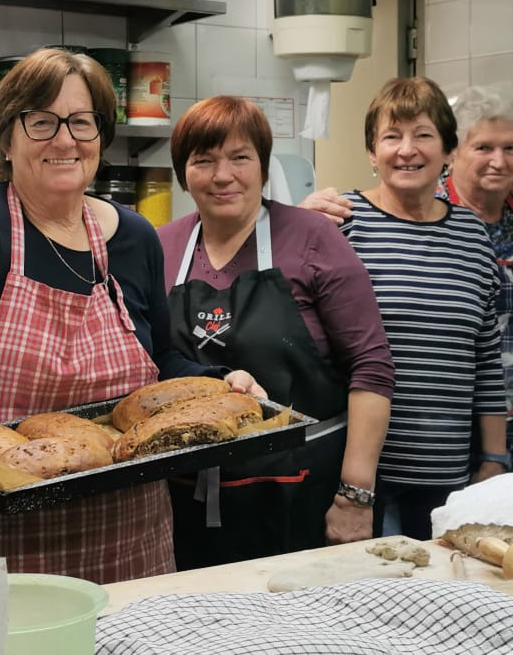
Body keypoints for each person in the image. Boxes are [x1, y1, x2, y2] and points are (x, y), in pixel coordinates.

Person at [0, 50, 266, 583]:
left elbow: (161, 360)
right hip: (1, 535)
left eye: (82, 122)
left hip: (130, 532)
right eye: (41, 122)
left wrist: (221, 382)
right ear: (6, 138)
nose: (65, 140)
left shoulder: (135, 236)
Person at [158, 96, 394, 565]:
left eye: (240, 158)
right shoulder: (161, 245)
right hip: (182, 500)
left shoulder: (313, 238)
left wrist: (355, 496)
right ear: (183, 172)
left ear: (264, 167)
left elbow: (372, 368)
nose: (223, 175)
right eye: (203, 160)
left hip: (304, 494)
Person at [305, 77, 507, 537]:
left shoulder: (473, 235)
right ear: (372, 152)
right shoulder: (341, 222)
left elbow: (486, 357)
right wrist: (297, 223)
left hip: (447, 472)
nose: (406, 150)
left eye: (423, 135)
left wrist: (494, 459)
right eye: (391, 136)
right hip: (354, 475)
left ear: (448, 151)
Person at [435, 87, 513, 469]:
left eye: (510, 148)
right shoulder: (426, 210)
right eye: (484, 148)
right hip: (445, 424)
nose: (499, 161)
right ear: (453, 152)